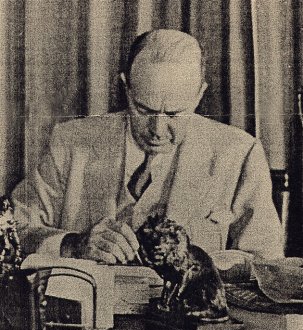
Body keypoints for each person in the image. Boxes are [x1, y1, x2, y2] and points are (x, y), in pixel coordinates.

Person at [12, 29, 284, 269]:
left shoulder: (239, 153)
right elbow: (11, 231)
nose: (158, 129)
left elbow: (265, 263)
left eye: (176, 113)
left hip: (188, 324)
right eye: (144, 109)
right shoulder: (70, 142)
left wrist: (200, 263)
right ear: (126, 89)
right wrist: (73, 245)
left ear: (199, 95)